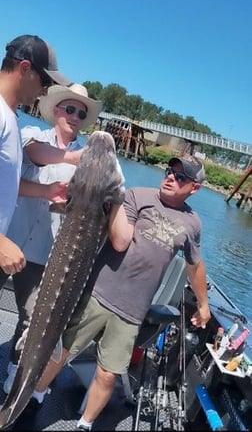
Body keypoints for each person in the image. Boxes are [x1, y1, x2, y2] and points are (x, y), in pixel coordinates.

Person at [33, 155, 211, 431]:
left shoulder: (193, 224)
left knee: (107, 374)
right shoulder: (137, 196)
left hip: (132, 310)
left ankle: (84, 424)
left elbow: (195, 264)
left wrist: (203, 305)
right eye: (169, 171)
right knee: (59, 353)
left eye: (181, 177)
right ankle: (35, 397)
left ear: (195, 187)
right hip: (96, 294)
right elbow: (118, 240)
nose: (171, 178)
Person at [1, 83, 102, 394]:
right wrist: (73, 160)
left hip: (47, 253)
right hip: (10, 240)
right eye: (69, 108)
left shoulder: (92, 163)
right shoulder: (33, 135)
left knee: (33, 320)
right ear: (56, 109)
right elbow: (31, 158)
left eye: (81, 113)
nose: (74, 116)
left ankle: (15, 380)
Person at [0, 34, 71, 277]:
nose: (45, 90)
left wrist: (46, 191)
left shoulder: (10, 117)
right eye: (45, 81)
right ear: (25, 68)